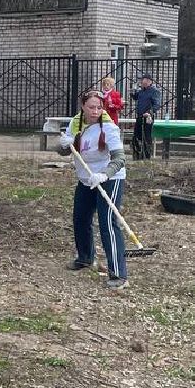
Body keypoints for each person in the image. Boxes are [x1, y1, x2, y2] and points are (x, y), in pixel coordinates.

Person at [59, 89, 129, 290]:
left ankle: (118, 273)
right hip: (86, 179)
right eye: (91, 107)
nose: (95, 111)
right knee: (80, 218)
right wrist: (64, 145)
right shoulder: (75, 123)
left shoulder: (109, 128)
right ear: (83, 106)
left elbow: (119, 159)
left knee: (107, 222)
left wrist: (104, 174)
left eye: (99, 107)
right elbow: (65, 151)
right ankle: (85, 257)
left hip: (109, 179)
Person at [130, 73, 162, 161]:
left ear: (149, 81)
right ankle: (137, 155)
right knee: (137, 136)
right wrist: (133, 90)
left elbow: (157, 105)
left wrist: (149, 112)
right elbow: (135, 97)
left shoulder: (154, 91)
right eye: (142, 80)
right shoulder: (141, 91)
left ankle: (146, 157)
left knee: (146, 137)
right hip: (139, 116)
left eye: (144, 80)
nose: (142, 82)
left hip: (148, 117)